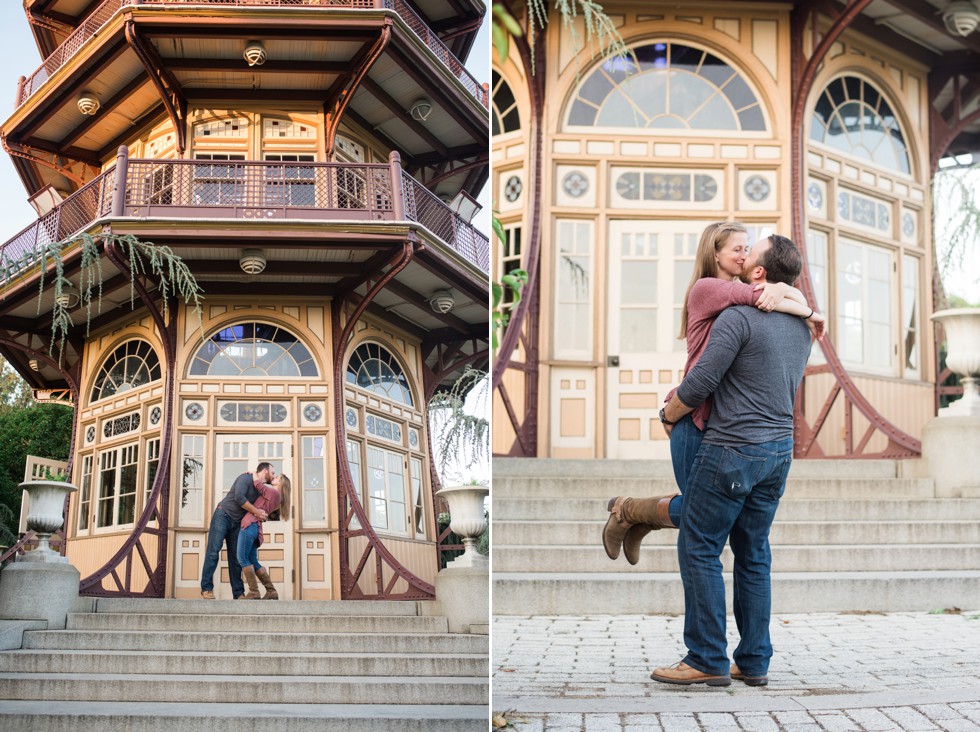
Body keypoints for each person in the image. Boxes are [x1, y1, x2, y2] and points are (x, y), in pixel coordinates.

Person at [603, 222, 824, 564]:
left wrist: (789, 297)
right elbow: (761, 295)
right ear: (715, 253)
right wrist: (801, 305)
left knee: (707, 512)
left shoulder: (738, 299)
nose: (744, 254)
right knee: (701, 514)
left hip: (723, 420)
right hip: (693, 415)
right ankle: (628, 512)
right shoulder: (707, 289)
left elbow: (768, 296)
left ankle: (632, 513)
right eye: (737, 249)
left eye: (747, 248)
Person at [648, 234, 813, 686]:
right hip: (779, 451)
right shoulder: (801, 327)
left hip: (733, 449)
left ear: (759, 273)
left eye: (750, 253)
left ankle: (705, 658)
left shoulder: (738, 317)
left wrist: (667, 412)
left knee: (700, 546)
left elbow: (700, 382)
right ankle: (754, 661)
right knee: (754, 552)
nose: (743, 256)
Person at [200, 462, 274, 599]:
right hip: (223, 515)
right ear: (265, 471)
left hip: (237, 523)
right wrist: (257, 512)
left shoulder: (261, 488)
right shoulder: (244, 478)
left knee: (235, 558)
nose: (273, 475)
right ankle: (206, 588)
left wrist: (262, 514)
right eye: (272, 472)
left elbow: (265, 503)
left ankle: (238, 593)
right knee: (213, 551)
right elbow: (239, 498)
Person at [238, 474, 291, 600]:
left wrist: (253, 473)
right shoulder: (276, 496)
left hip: (249, 525)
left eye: (277, 476)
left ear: (281, 483)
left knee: (242, 558)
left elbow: (258, 485)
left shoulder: (275, 493)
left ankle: (254, 591)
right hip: (254, 527)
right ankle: (271, 591)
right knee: (253, 561)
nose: (275, 476)